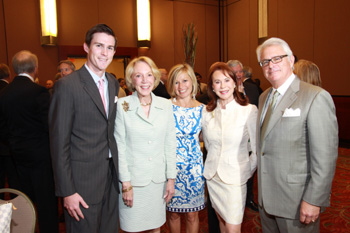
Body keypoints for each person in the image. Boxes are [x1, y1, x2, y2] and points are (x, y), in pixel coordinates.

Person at [256, 37, 338, 232]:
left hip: (296, 201)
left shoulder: (315, 97)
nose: (271, 65)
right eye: (265, 61)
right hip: (266, 200)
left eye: (277, 59)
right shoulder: (263, 97)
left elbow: (325, 157)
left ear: (291, 60)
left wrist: (313, 199)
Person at [49, 24, 120, 233]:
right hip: (82, 183)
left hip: (110, 178)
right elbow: (58, 143)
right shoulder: (67, 86)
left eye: (109, 48)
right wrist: (67, 191)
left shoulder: (113, 83)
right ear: (86, 47)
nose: (104, 53)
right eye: (99, 46)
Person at [114, 56, 176, 233]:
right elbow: (120, 148)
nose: (144, 81)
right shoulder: (123, 105)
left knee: (155, 229)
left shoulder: (166, 105)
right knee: (131, 228)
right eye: (138, 76)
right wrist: (126, 185)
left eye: (148, 75)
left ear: (155, 78)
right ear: (131, 79)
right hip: (133, 183)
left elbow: (170, 145)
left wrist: (170, 179)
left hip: (157, 183)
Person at [0, 51, 59, 233]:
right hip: (41, 156)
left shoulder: (4, 93)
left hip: (17, 155)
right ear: (35, 69)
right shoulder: (38, 91)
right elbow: (48, 125)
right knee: (46, 203)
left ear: (14, 70)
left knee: (23, 198)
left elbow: (2, 128)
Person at [202, 62, 257, 233]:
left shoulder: (248, 110)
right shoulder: (207, 111)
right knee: (221, 222)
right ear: (212, 86)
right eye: (217, 82)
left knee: (233, 227)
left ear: (235, 82)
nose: (223, 86)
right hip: (212, 177)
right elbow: (209, 146)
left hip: (235, 179)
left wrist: (246, 172)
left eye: (226, 80)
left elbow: (256, 150)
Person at [166, 64, 205, 233]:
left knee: (192, 215)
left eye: (184, 81)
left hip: (194, 169)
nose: (181, 87)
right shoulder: (165, 107)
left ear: (192, 81)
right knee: (173, 214)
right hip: (171, 170)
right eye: (176, 82)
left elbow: (205, 137)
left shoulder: (203, 109)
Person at [0, 63, 21, 199]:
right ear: (9, 75)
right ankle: (16, 215)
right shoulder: (11, 92)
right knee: (14, 182)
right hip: (10, 146)